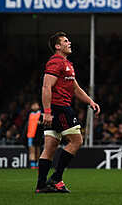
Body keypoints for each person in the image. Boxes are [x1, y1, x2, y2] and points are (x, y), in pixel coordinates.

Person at [35, 32, 101, 194]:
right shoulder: (55, 62)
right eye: (65, 41)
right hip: (59, 108)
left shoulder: (67, 64)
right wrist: (48, 112)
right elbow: (46, 86)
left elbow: (75, 88)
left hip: (58, 108)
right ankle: (56, 177)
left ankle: (41, 185)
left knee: (50, 147)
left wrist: (90, 102)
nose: (69, 43)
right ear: (58, 46)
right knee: (77, 141)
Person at [26, 103, 42, 168]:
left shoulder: (40, 114)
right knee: (31, 150)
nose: (34, 106)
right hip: (30, 135)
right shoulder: (29, 114)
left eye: (35, 105)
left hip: (38, 135)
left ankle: (38, 163)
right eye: (33, 105)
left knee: (38, 150)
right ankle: (32, 165)